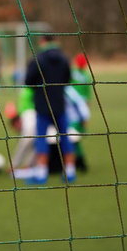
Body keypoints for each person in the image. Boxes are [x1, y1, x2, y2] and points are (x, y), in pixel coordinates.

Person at [25, 35, 76, 184]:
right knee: (65, 137)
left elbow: (28, 80)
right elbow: (67, 79)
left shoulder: (38, 59)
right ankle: (70, 172)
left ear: (42, 42)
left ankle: (41, 174)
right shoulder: (64, 58)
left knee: (41, 138)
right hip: (60, 104)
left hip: (42, 105)